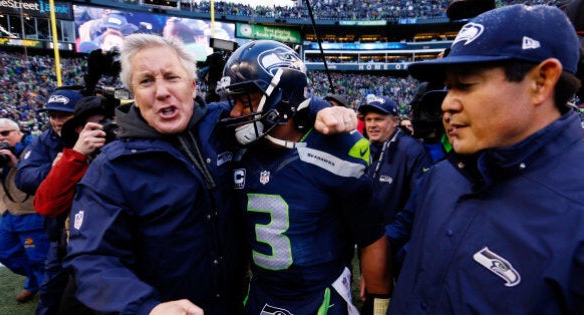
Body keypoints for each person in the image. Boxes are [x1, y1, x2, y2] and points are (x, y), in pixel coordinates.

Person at [64, 34, 358, 315]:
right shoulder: (112, 168)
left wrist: (319, 110)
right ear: (133, 94)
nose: (161, 90)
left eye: (171, 77)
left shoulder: (222, 124)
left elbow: (275, 100)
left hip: (235, 302)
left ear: (192, 86)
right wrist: (146, 307)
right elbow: (92, 259)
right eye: (146, 81)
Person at [389, 5, 584, 314]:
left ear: (541, 81)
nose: (447, 104)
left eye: (465, 85)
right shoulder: (445, 174)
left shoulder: (576, 212)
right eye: (447, 87)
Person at [219, 40, 391, 315]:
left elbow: (371, 236)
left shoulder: (335, 148)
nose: (235, 112)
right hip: (261, 295)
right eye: (235, 101)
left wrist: (379, 306)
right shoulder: (237, 150)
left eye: (246, 101)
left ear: (281, 98)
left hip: (319, 300)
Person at [33, 95, 112, 314]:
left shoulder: (136, 151)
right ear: (79, 130)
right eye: (96, 126)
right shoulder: (72, 159)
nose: (106, 130)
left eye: (110, 122)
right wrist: (76, 155)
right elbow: (45, 206)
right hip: (87, 256)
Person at [15, 87, 84, 315]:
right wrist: (55, 169)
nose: (57, 121)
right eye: (53, 115)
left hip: (96, 226)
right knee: (51, 291)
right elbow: (23, 178)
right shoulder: (44, 140)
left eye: (64, 115)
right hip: (59, 230)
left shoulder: (97, 133)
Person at [0, 118, 50, 303]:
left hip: (32, 214)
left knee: (40, 259)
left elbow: (45, 178)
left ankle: (49, 296)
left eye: (5, 133)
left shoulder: (35, 148)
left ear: (19, 132)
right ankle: (34, 281)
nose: (0, 138)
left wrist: (17, 164)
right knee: (3, 252)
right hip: (8, 215)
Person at [358, 95, 432, 226]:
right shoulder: (363, 148)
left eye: (378, 119)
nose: (372, 125)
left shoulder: (412, 150)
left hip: (393, 239)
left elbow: (419, 203)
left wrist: (391, 237)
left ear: (395, 121)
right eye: (368, 119)